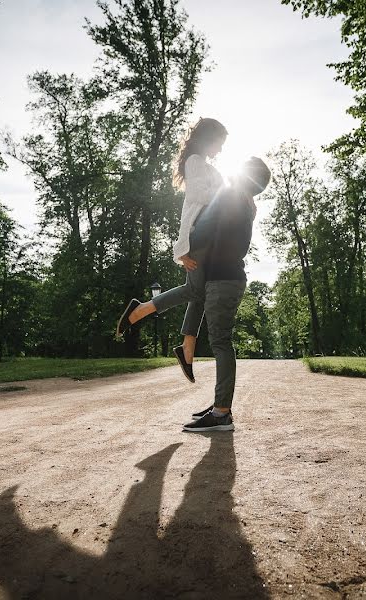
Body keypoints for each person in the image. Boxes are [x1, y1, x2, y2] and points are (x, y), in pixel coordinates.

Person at [116, 118, 227, 383]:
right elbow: (201, 196)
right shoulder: (195, 162)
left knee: (198, 293)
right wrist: (225, 190)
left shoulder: (203, 164)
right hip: (198, 236)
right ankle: (140, 310)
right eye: (219, 144)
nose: (221, 151)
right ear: (208, 138)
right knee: (196, 291)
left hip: (208, 237)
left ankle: (186, 350)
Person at [181, 157, 271, 433]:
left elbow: (205, 227)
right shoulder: (244, 203)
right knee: (222, 341)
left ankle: (221, 413)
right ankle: (220, 407)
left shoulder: (231, 198)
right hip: (229, 278)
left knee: (221, 342)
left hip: (222, 279)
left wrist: (183, 249)